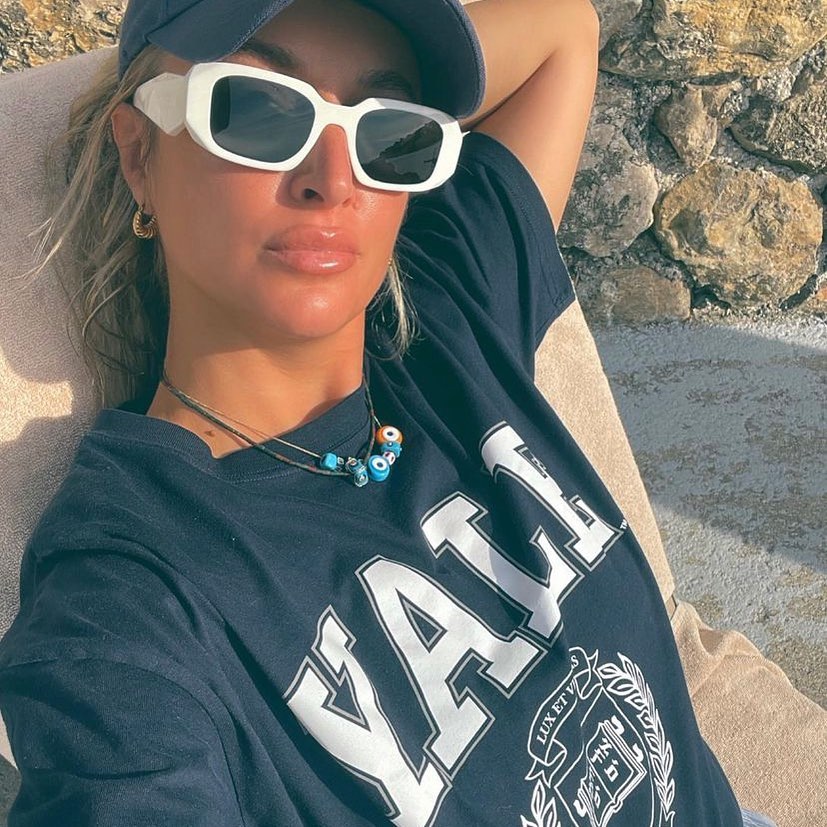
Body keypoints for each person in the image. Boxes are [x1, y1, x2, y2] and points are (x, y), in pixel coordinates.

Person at [0, 0, 778, 824]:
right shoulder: (130, 601)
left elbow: (561, 28)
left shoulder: (448, 317)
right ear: (137, 154)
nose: (333, 180)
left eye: (390, 132)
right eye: (256, 110)